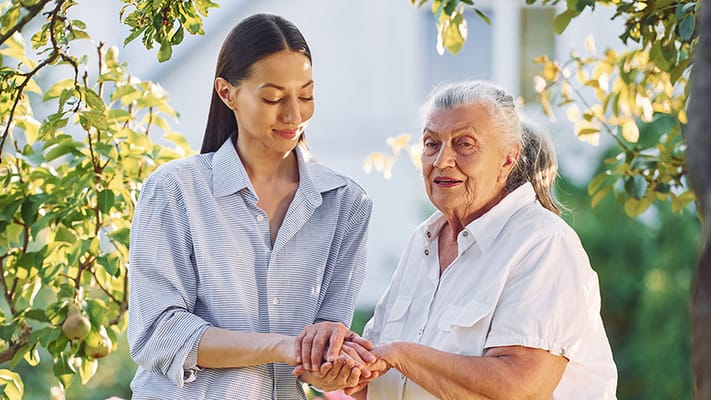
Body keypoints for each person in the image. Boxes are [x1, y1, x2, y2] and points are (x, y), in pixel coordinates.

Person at [127, 13, 373, 399]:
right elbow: (159, 334)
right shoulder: (174, 191)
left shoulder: (346, 204)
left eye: (306, 95)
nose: (294, 115)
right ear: (227, 93)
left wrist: (331, 367)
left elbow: (321, 344)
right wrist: (278, 345)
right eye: (273, 97)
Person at [343, 80, 617, 399]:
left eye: (464, 144)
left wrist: (401, 356)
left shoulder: (543, 243)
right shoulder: (423, 241)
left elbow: (520, 388)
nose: (442, 160)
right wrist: (343, 365)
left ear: (506, 160)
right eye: (432, 143)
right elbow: (374, 379)